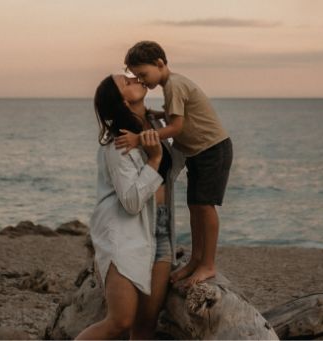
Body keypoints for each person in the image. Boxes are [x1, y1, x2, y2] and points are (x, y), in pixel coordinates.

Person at [115, 40, 233, 288]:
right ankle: (196, 259)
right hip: (199, 153)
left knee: (205, 207)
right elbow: (176, 117)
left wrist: (140, 138)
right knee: (195, 206)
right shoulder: (171, 86)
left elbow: (176, 127)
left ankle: (208, 264)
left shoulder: (174, 86)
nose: (142, 80)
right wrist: (158, 116)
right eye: (136, 76)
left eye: (143, 74)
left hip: (213, 150)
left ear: (159, 63)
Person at [75, 73, 184, 340]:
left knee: (146, 325)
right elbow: (133, 202)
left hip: (160, 229)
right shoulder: (118, 144)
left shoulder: (153, 124)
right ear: (122, 100)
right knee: (120, 321)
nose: (135, 78)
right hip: (124, 234)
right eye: (127, 81)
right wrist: (155, 159)